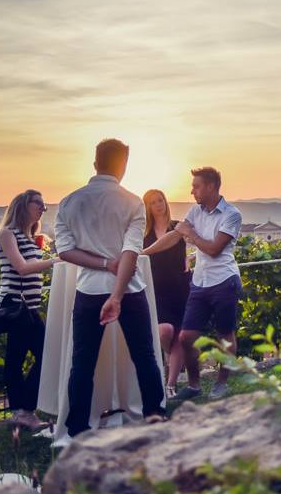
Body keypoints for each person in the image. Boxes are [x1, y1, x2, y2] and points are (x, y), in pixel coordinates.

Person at [55, 139, 166, 437]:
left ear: (95, 164)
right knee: (144, 355)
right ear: (124, 166)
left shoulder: (69, 202)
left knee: (82, 362)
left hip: (89, 291)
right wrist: (116, 295)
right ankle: (155, 414)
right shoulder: (132, 202)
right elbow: (131, 252)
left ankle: (77, 427)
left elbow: (64, 251)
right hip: (129, 291)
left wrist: (103, 265)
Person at [172, 167, 243, 401]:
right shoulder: (195, 211)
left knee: (225, 335)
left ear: (211, 187)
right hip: (200, 282)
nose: (192, 191)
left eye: (196, 186)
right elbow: (175, 234)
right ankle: (194, 386)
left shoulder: (231, 214)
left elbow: (213, 249)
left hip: (224, 281)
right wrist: (143, 253)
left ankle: (221, 383)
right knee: (185, 337)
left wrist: (190, 235)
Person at [0, 190, 58, 430]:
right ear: (23, 204)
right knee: (18, 358)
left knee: (45, 354)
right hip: (14, 304)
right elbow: (21, 268)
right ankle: (22, 411)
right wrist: (55, 261)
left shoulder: (32, 237)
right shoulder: (7, 234)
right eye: (38, 204)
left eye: (44, 205)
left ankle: (24, 410)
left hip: (30, 307)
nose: (43, 208)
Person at [141, 189, 191, 399]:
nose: (158, 204)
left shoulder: (177, 226)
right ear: (148, 208)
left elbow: (193, 244)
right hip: (156, 289)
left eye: (160, 200)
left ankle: (170, 385)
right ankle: (171, 357)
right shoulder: (143, 235)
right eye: (153, 202)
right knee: (164, 333)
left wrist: (190, 259)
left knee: (180, 335)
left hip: (181, 287)